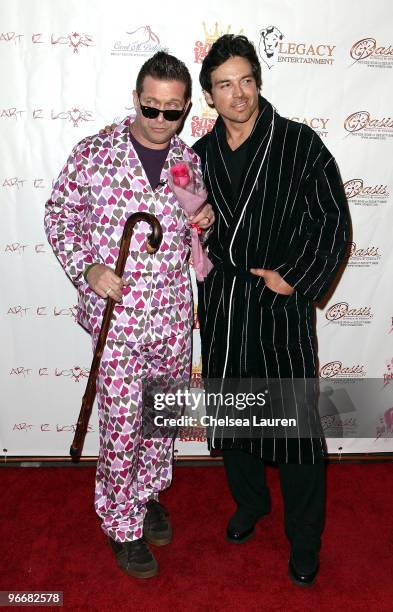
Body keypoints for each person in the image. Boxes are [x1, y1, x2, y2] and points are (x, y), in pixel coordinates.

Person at [44, 51, 214, 579]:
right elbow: (59, 215)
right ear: (135, 99)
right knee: (122, 425)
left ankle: (145, 493)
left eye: (172, 111)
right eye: (151, 107)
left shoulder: (186, 161)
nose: (160, 121)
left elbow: (193, 229)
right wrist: (88, 269)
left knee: (159, 418)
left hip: (170, 313)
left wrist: (201, 221)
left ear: (186, 109)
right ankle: (121, 524)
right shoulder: (94, 154)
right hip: (117, 318)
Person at [193, 35, 349, 587]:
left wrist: (296, 278)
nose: (237, 95)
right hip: (224, 304)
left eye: (245, 81)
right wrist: (201, 224)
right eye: (224, 85)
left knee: (297, 431)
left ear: (258, 81)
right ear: (209, 96)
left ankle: (305, 538)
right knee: (234, 414)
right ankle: (251, 503)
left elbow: (333, 222)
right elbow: (186, 220)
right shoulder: (200, 157)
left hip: (277, 307)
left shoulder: (299, 144)